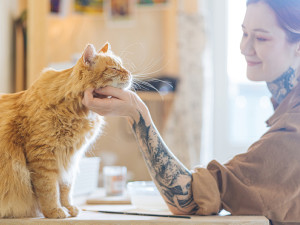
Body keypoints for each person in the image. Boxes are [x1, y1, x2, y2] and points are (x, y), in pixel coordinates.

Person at [82, 0, 300, 224]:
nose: (244, 48)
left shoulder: (293, 132)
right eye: (244, 33)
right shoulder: (285, 106)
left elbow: (187, 198)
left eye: (262, 38)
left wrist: (138, 114)